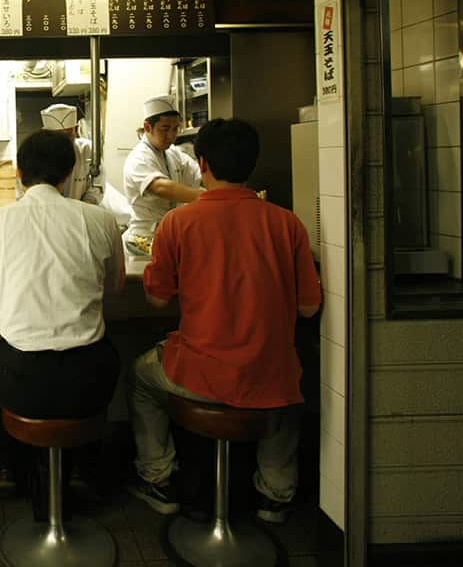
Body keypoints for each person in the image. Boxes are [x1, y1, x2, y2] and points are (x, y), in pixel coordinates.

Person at [127, 119, 321, 524]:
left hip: (201, 375)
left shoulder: (177, 224)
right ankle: (276, 496)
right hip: (269, 374)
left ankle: (159, 478)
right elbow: (308, 309)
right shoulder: (287, 223)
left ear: (202, 164)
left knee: (140, 376)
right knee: (288, 378)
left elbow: (158, 299)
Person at [0, 129, 124, 506]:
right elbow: (115, 287)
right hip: (89, 379)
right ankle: (82, 469)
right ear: (69, 172)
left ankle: (6, 467)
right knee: (100, 356)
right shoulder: (100, 220)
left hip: (22, 381)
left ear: (19, 173)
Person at [122, 96, 202, 253]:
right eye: (165, 129)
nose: (171, 136)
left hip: (170, 236)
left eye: (175, 129)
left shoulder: (174, 154)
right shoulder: (139, 158)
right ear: (147, 127)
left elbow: (199, 175)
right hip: (143, 239)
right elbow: (162, 187)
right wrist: (207, 196)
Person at [38, 102, 104, 205]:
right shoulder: (35, 155)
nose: (63, 141)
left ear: (76, 129)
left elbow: (97, 185)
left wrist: (83, 207)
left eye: (68, 134)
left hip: (81, 212)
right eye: (57, 136)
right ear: (45, 134)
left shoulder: (87, 150)